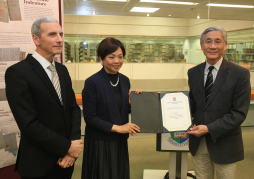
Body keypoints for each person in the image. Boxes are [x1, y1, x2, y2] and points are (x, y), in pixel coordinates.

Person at [5, 17, 83, 179]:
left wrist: (73, 148)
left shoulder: (62, 70)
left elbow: (73, 110)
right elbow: (29, 125)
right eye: (52, 34)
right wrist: (67, 147)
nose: (60, 39)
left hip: (66, 162)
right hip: (39, 164)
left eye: (61, 34)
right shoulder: (18, 73)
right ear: (36, 39)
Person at [187, 26, 251, 179]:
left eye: (217, 41)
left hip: (225, 143)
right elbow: (194, 104)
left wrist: (209, 128)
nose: (213, 46)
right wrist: (175, 103)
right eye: (208, 42)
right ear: (202, 46)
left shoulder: (240, 74)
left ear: (225, 45)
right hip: (199, 142)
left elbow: (239, 113)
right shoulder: (193, 72)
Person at [81, 37, 142, 179]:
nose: (117, 61)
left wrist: (137, 101)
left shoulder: (125, 80)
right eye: (111, 57)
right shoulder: (92, 82)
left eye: (120, 57)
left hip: (119, 141)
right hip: (99, 142)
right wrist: (117, 128)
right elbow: (90, 117)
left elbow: (120, 109)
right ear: (101, 58)